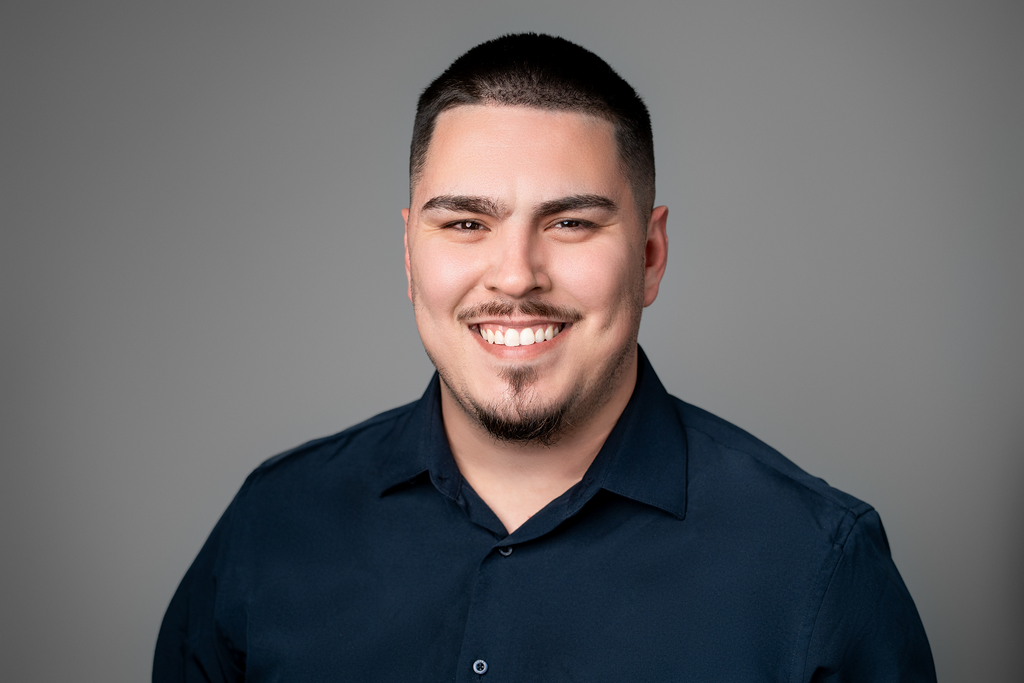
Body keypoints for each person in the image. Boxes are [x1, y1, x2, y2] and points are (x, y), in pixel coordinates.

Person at [154, 33, 935, 682]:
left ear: (652, 254)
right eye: (465, 223)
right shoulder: (273, 527)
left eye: (570, 224)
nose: (517, 274)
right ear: (407, 253)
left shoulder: (815, 566)